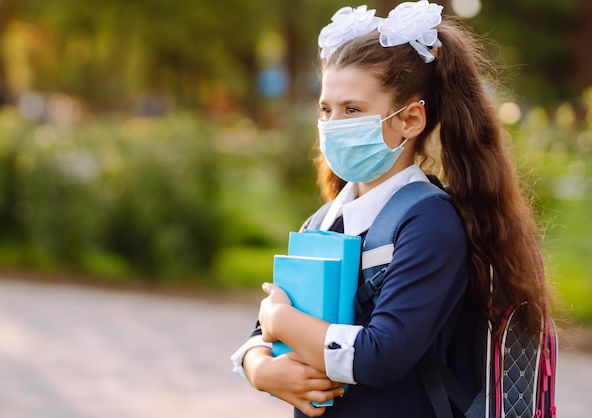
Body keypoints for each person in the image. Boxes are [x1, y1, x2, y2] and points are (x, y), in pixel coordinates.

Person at [231, 1, 547, 417]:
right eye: (327, 109)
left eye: (353, 110)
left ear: (411, 119)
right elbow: (265, 328)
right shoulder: (324, 221)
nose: (333, 124)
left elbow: (381, 355)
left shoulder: (429, 222)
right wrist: (258, 368)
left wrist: (281, 322)